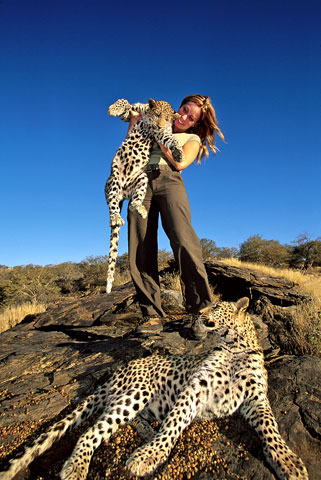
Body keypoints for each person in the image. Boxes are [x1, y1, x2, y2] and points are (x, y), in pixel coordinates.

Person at [127, 94, 225, 338]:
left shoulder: (190, 138)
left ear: (194, 124)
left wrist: (159, 133)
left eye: (191, 117)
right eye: (184, 109)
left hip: (169, 180)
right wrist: (135, 120)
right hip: (139, 180)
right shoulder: (152, 120)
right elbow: (130, 142)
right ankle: (151, 315)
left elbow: (179, 163)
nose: (184, 117)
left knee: (184, 240)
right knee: (140, 246)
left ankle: (201, 311)